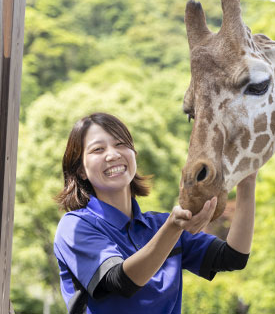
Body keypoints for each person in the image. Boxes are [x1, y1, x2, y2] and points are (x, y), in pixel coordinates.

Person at [53, 112, 257, 314]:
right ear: (80, 170)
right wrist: (173, 227)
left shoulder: (160, 226)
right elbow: (120, 281)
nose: (113, 154)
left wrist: (247, 182)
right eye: (98, 149)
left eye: (120, 144)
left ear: (134, 154)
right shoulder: (74, 226)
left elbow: (233, 257)